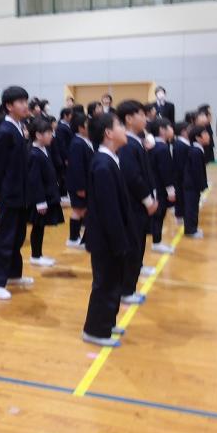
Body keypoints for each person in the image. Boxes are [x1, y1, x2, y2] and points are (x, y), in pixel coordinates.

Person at [81, 112, 133, 347]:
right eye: (120, 125)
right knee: (105, 284)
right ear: (108, 133)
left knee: (113, 282)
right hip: (106, 239)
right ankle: (94, 330)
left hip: (111, 237)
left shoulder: (111, 159)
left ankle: (107, 323)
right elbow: (108, 210)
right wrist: (119, 241)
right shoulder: (103, 164)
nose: (124, 129)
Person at [0, 86, 34, 300]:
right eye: (20, 102)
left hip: (21, 192)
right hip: (9, 193)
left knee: (17, 236)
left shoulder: (18, 126)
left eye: (26, 101)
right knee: (5, 238)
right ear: (9, 106)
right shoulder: (5, 130)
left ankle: (13, 274)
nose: (25, 105)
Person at [116, 100, 158, 305]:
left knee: (138, 245)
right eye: (141, 114)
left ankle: (129, 287)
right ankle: (126, 290)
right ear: (129, 119)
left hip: (138, 206)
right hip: (133, 206)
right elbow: (133, 177)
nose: (145, 118)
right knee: (132, 248)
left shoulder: (135, 142)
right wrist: (148, 200)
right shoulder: (127, 145)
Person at [27, 118, 65, 267]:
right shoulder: (34, 154)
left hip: (47, 195)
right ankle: (35, 256)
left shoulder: (44, 150)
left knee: (40, 227)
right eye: (48, 133)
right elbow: (34, 180)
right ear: (38, 135)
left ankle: (38, 254)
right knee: (38, 227)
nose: (51, 136)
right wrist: (40, 202)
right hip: (40, 199)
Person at [65, 111, 94, 249]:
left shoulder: (85, 141)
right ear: (81, 128)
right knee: (78, 210)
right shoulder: (77, 143)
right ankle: (73, 238)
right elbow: (76, 167)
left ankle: (79, 237)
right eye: (88, 125)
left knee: (83, 210)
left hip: (85, 183)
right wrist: (80, 187)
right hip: (78, 185)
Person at [148, 118, 176, 254]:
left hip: (153, 185)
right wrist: (171, 190)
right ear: (162, 130)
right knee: (159, 214)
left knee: (157, 215)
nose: (172, 130)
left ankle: (156, 241)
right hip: (159, 187)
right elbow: (166, 171)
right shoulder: (162, 148)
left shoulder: (152, 145)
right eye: (169, 127)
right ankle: (157, 242)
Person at [184, 125, 210, 239]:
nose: (208, 136)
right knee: (191, 208)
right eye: (205, 134)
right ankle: (190, 230)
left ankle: (193, 228)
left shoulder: (197, 149)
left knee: (194, 207)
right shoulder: (195, 151)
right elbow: (197, 171)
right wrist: (202, 186)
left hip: (192, 185)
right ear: (198, 137)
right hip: (191, 185)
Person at [172, 122, 191, 225]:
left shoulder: (185, 143)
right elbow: (180, 164)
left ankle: (182, 214)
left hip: (183, 176)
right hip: (181, 176)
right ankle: (179, 216)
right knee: (180, 195)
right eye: (189, 129)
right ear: (183, 132)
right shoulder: (180, 145)